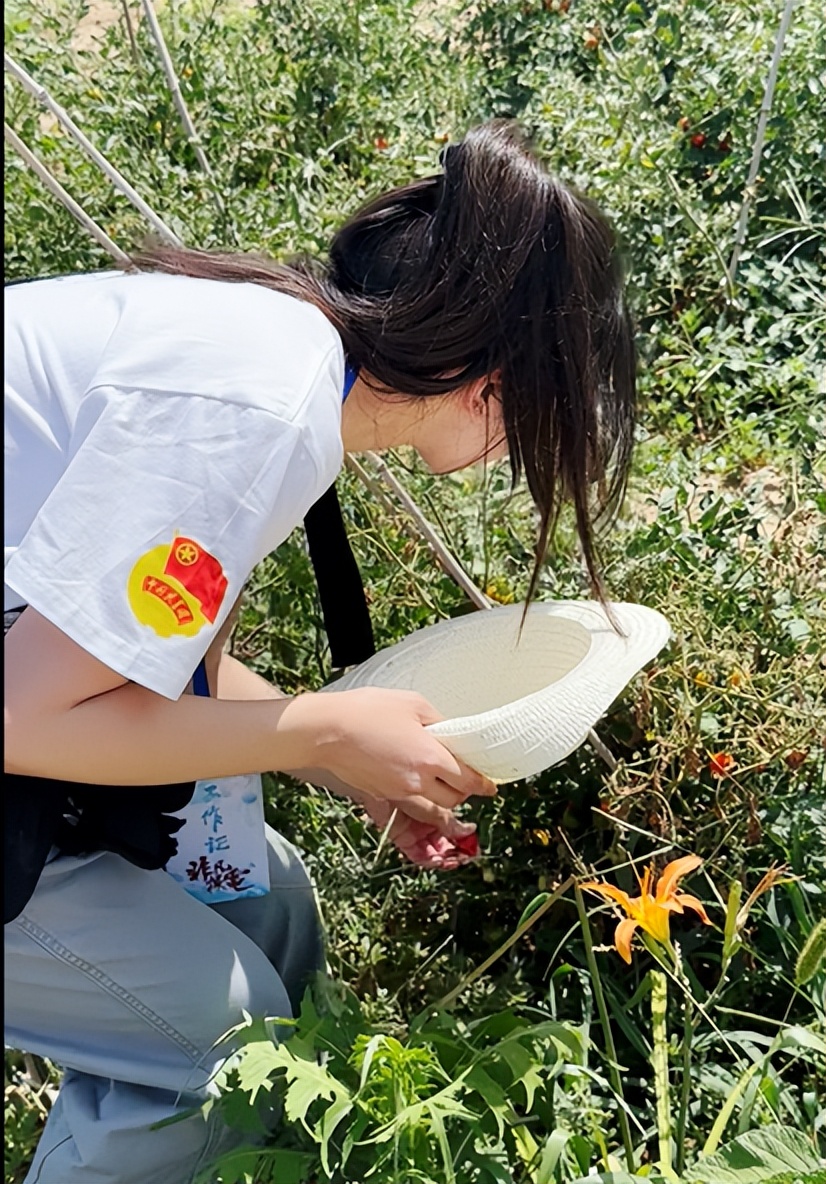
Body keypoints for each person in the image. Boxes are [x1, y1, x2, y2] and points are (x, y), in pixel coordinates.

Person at [4, 119, 635, 1183]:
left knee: (271, 903)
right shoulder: (259, 403)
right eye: (541, 412)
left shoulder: (279, 354)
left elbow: (146, 660)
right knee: (230, 1052)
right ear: (487, 379)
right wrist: (327, 728)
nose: (517, 449)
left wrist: (341, 761)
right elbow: (24, 717)